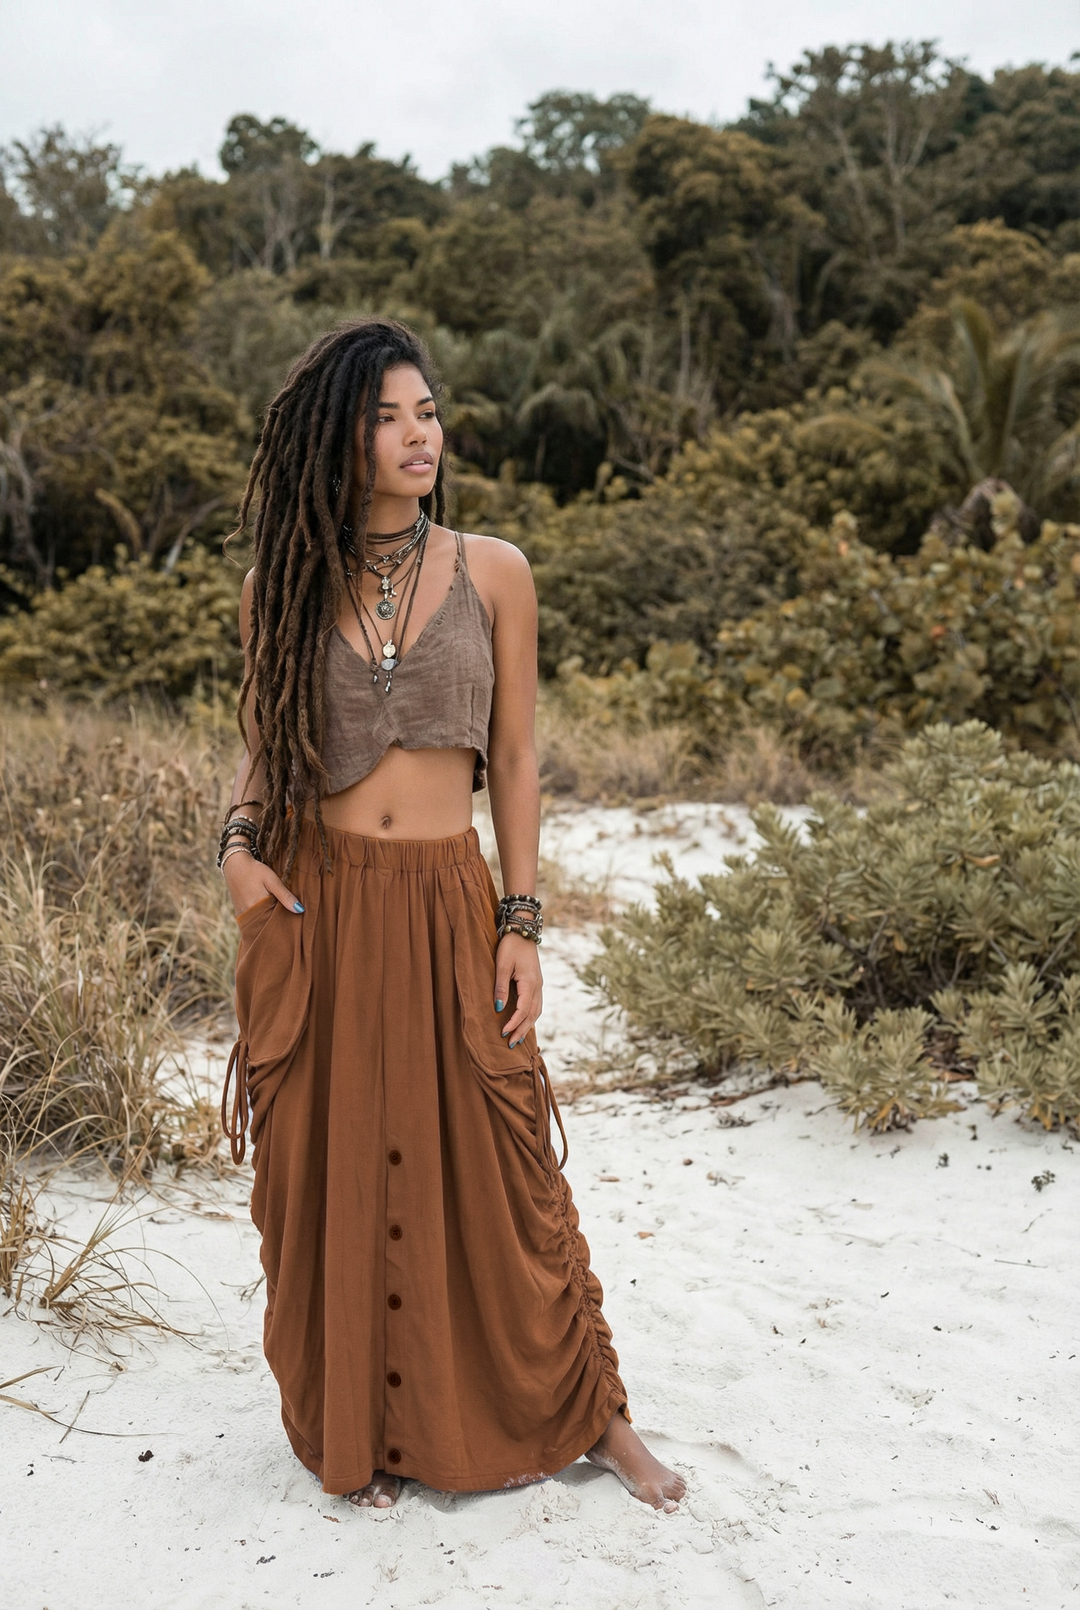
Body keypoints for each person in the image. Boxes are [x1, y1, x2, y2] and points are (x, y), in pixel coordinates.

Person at [218, 317, 685, 1515]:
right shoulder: (281, 583)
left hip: (447, 900)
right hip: (320, 904)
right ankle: (364, 1430)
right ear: (339, 434)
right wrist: (233, 850)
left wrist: (520, 920)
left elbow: (519, 756)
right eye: (388, 415)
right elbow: (263, 756)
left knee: (507, 1155)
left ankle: (598, 1414)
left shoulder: (495, 570)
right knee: (332, 1172)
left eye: (427, 411)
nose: (418, 434)